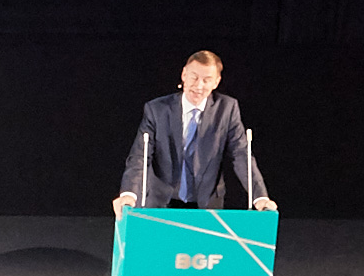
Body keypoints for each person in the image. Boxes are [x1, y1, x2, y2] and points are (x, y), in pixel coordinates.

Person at [112, 48, 274, 218]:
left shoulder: (227, 109)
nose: (199, 86)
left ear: (216, 82)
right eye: (194, 77)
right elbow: (140, 156)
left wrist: (260, 197)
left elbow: (241, 154)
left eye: (206, 80)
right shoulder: (157, 109)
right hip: (160, 202)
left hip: (206, 204)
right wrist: (129, 194)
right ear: (184, 75)